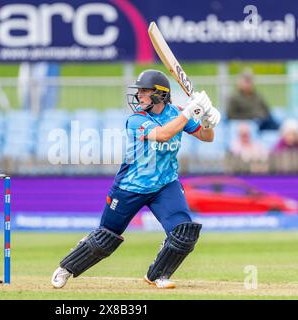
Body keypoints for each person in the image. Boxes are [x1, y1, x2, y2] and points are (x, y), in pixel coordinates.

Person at [51, 70, 221, 289]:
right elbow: (162, 135)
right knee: (106, 238)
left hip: (164, 185)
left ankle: (158, 275)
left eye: (144, 91)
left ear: (160, 94)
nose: (139, 96)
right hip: (130, 186)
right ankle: (66, 268)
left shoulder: (176, 113)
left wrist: (206, 119)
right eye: (138, 91)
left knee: (184, 233)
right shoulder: (136, 120)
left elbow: (207, 137)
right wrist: (190, 112)